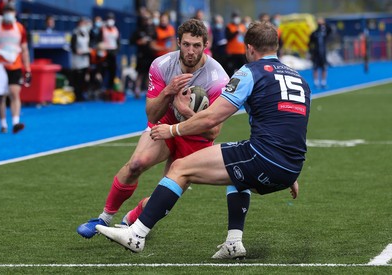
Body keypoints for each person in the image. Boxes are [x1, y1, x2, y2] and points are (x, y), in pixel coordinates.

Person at [96, 21, 311, 260]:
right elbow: (293, 129)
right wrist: (291, 173)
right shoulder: (299, 79)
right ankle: (233, 242)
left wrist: (173, 130)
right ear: (276, 46)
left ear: (249, 48)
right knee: (237, 172)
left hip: (263, 157)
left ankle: (136, 234)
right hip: (291, 166)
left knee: (180, 168)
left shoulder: (249, 72)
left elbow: (211, 119)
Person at [77, 19, 229, 239]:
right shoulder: (162, 65)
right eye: (186, 44)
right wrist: (168, 91)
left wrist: (185, 111)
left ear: (205, 45)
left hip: (195, 137)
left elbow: (213, 132)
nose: (190, 51)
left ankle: (130, 218)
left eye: (196, 46)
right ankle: (103, 218)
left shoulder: (217, 78)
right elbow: (151, 114)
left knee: (165, 192)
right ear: (178, 42)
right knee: (136, 164)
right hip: (164, 124)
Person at [0, 3, 31, 134]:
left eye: (11, 11)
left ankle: (15, 122)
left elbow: (24, 49)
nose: (9, 14)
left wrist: (27, 67)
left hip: (15, 64)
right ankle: (3, 124)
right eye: (6, 12)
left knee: (14, 93)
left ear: (15, 13)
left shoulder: (20, 28)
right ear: (2, 13)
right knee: (0, 97)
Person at [131, 9, 156, 99]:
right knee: (140, 73)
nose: (147, 21)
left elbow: (156, 39)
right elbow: (132, 41)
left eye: (148, 19)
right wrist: (140, 42)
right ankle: (137, 90)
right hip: (141, 54)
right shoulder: (138, 30)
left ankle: (148, 91)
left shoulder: (153, 29)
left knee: (149, 74)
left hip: (151, 55)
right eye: (145, 19)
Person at [99, 12, 120, 94]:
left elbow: (118, 42)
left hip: (113, 53)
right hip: (104, 53)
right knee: (103, 71)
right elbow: (99, 41)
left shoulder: (115, 29)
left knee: (113, 71)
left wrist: (116, 50)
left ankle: (110, 88)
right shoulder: (102, 29)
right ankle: (102, 88)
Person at [70, 17, 90, 101]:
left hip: (85, 58)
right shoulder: (75, 33)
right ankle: (77, 94)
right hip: (77, 59)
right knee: (77, 78)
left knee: (83, 78)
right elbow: (72, 46)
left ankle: (82, 94)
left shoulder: (86, 33)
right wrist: (77, 51)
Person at [308, 17, 332, 89]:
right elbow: (309, 44)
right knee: (315, 68)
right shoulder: (314, 33)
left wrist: (324, 23)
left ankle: (323, 82)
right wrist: (310, 52)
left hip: (323, 53)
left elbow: (330, 29)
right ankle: (316, 82)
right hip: (316, 54)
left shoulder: (325, 32)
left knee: (324, 67)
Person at [225, 10, 246, 77]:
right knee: (231, 70)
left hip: (242, 52)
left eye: (237, 16)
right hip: (232, 52)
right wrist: (236, 32)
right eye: (235, 16)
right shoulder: (229, 26)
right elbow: (228, 37)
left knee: (243, 70)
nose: (236, 18)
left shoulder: (242, 26)